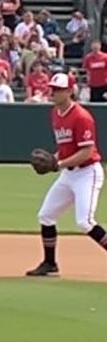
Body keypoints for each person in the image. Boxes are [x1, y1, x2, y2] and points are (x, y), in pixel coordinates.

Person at [28, 73, 107, 277]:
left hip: (88, 173)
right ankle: (50, 263)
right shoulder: (55, 113)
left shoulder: (81, 117)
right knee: (46, 216)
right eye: (52, 88)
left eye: (58, 89)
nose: (52, 92)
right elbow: (64, 148)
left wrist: (58, 164)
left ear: (70, 91)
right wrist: (55, 159)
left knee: (85, 222)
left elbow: (87, 152)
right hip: (69, 175)